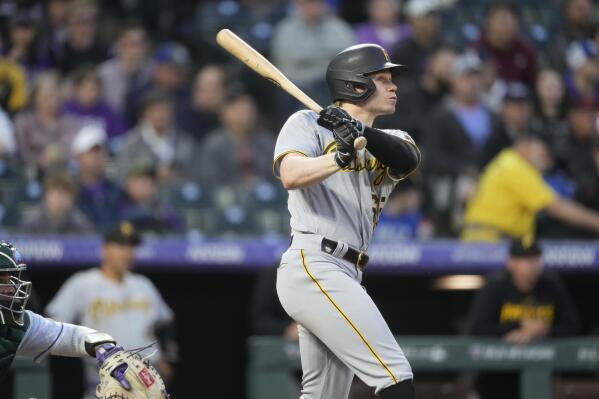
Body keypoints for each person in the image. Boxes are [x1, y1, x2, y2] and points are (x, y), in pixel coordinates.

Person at [274, 43, 420, 399]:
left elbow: (405, 159)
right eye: (382, 79)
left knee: (323, 395)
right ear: (355, 84)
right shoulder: (306, 122)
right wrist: (337, 157)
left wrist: (359, 132)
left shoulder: (393, 139)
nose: (393, 86)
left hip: (349, 270)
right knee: (396, 378)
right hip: (314, 262)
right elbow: (290, 174)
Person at [0, 239, 168, 395]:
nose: (10, 288)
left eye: (11, 278)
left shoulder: (16, 325)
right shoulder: (84, 283)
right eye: (1, 279)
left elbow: (65, 335)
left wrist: (105, 348)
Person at [46, 221, 177, 398]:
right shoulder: (83, 283)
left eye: (131, 247)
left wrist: (167, 358)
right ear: (104, 249)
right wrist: (82, 347)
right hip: (103, 385)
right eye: (121, 246)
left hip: (147, 387)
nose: (127, 253)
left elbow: (166, 322)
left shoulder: (143, 285)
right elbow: (53, 322)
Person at [469, 238, 581, 399]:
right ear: (511, 263)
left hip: (541, 380)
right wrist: (518, 326)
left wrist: (543, 330)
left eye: (536, 258)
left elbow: (572, 326)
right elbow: (478, 328)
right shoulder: (495, 287)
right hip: (494, 382)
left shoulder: (552, 287)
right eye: (525, 259)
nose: (532, 265)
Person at [461, 133, 599, 241]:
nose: (547, 158)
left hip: (488, 238)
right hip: (489, 242)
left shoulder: (507, 160)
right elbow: (556, 208)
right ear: (523, 147)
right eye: (543, 152)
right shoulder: (515, 167)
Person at [197, 87, 276, 187]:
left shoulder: (268, 143)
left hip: (266, 198)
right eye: (238, 108)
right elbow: (209, 181)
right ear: (223, 113)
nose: (246, 112)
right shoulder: (213, 145)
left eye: (249, 107)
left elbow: (278, 178)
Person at [114, 89, 197, 183]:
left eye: (164, 109)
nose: (160, 115)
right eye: (155, 110)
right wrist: (152, 173)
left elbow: (193, 174)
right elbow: (121, 174)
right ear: (144, 113)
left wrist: (175, 174)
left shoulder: (185, 142)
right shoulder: (131, 142)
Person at [71, 124, 125, 229]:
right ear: (78, 156)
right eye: (91, 152)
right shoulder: (71, 191)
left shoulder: (117, 190)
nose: (97, 157)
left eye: (101, 152)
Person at [473, 1, 537, 87]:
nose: (506, 27)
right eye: (501, 22)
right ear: (488, 22)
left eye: (510, 21)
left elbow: (533, 84)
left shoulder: (525, 50)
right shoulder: (476, 48)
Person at [20, 171, 95, 235]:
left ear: (72, 198)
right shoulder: (32, 223)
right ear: (46, 196)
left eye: (65, 194)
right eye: (56, 193)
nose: (60, 199)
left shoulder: (81, 224)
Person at [63, 65, 126, 140]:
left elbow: (120, 136)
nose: (94, 94)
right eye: (90, 90)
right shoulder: (65, 110)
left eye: (96, 89)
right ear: (76, 89)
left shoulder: (107, 110)